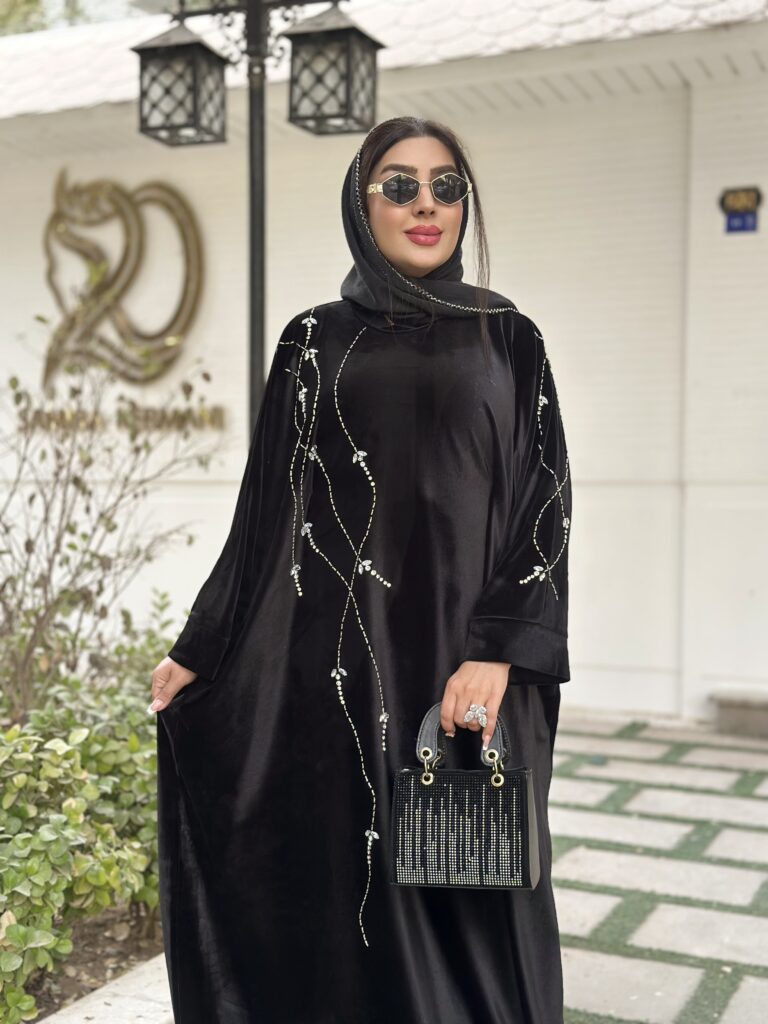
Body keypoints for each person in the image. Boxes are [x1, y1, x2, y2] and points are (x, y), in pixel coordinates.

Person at [148, 115, 572, 1024]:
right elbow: (265, 513)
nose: (427, 205)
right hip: (342, 675)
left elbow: (545, 503)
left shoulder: (509, 338)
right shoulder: (312, 342)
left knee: (471, 899)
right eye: (400, 185)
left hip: (467, 676)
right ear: (361, 203)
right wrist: (201, 647)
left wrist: (498, 650)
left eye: (446, 186)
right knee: (353, 900)